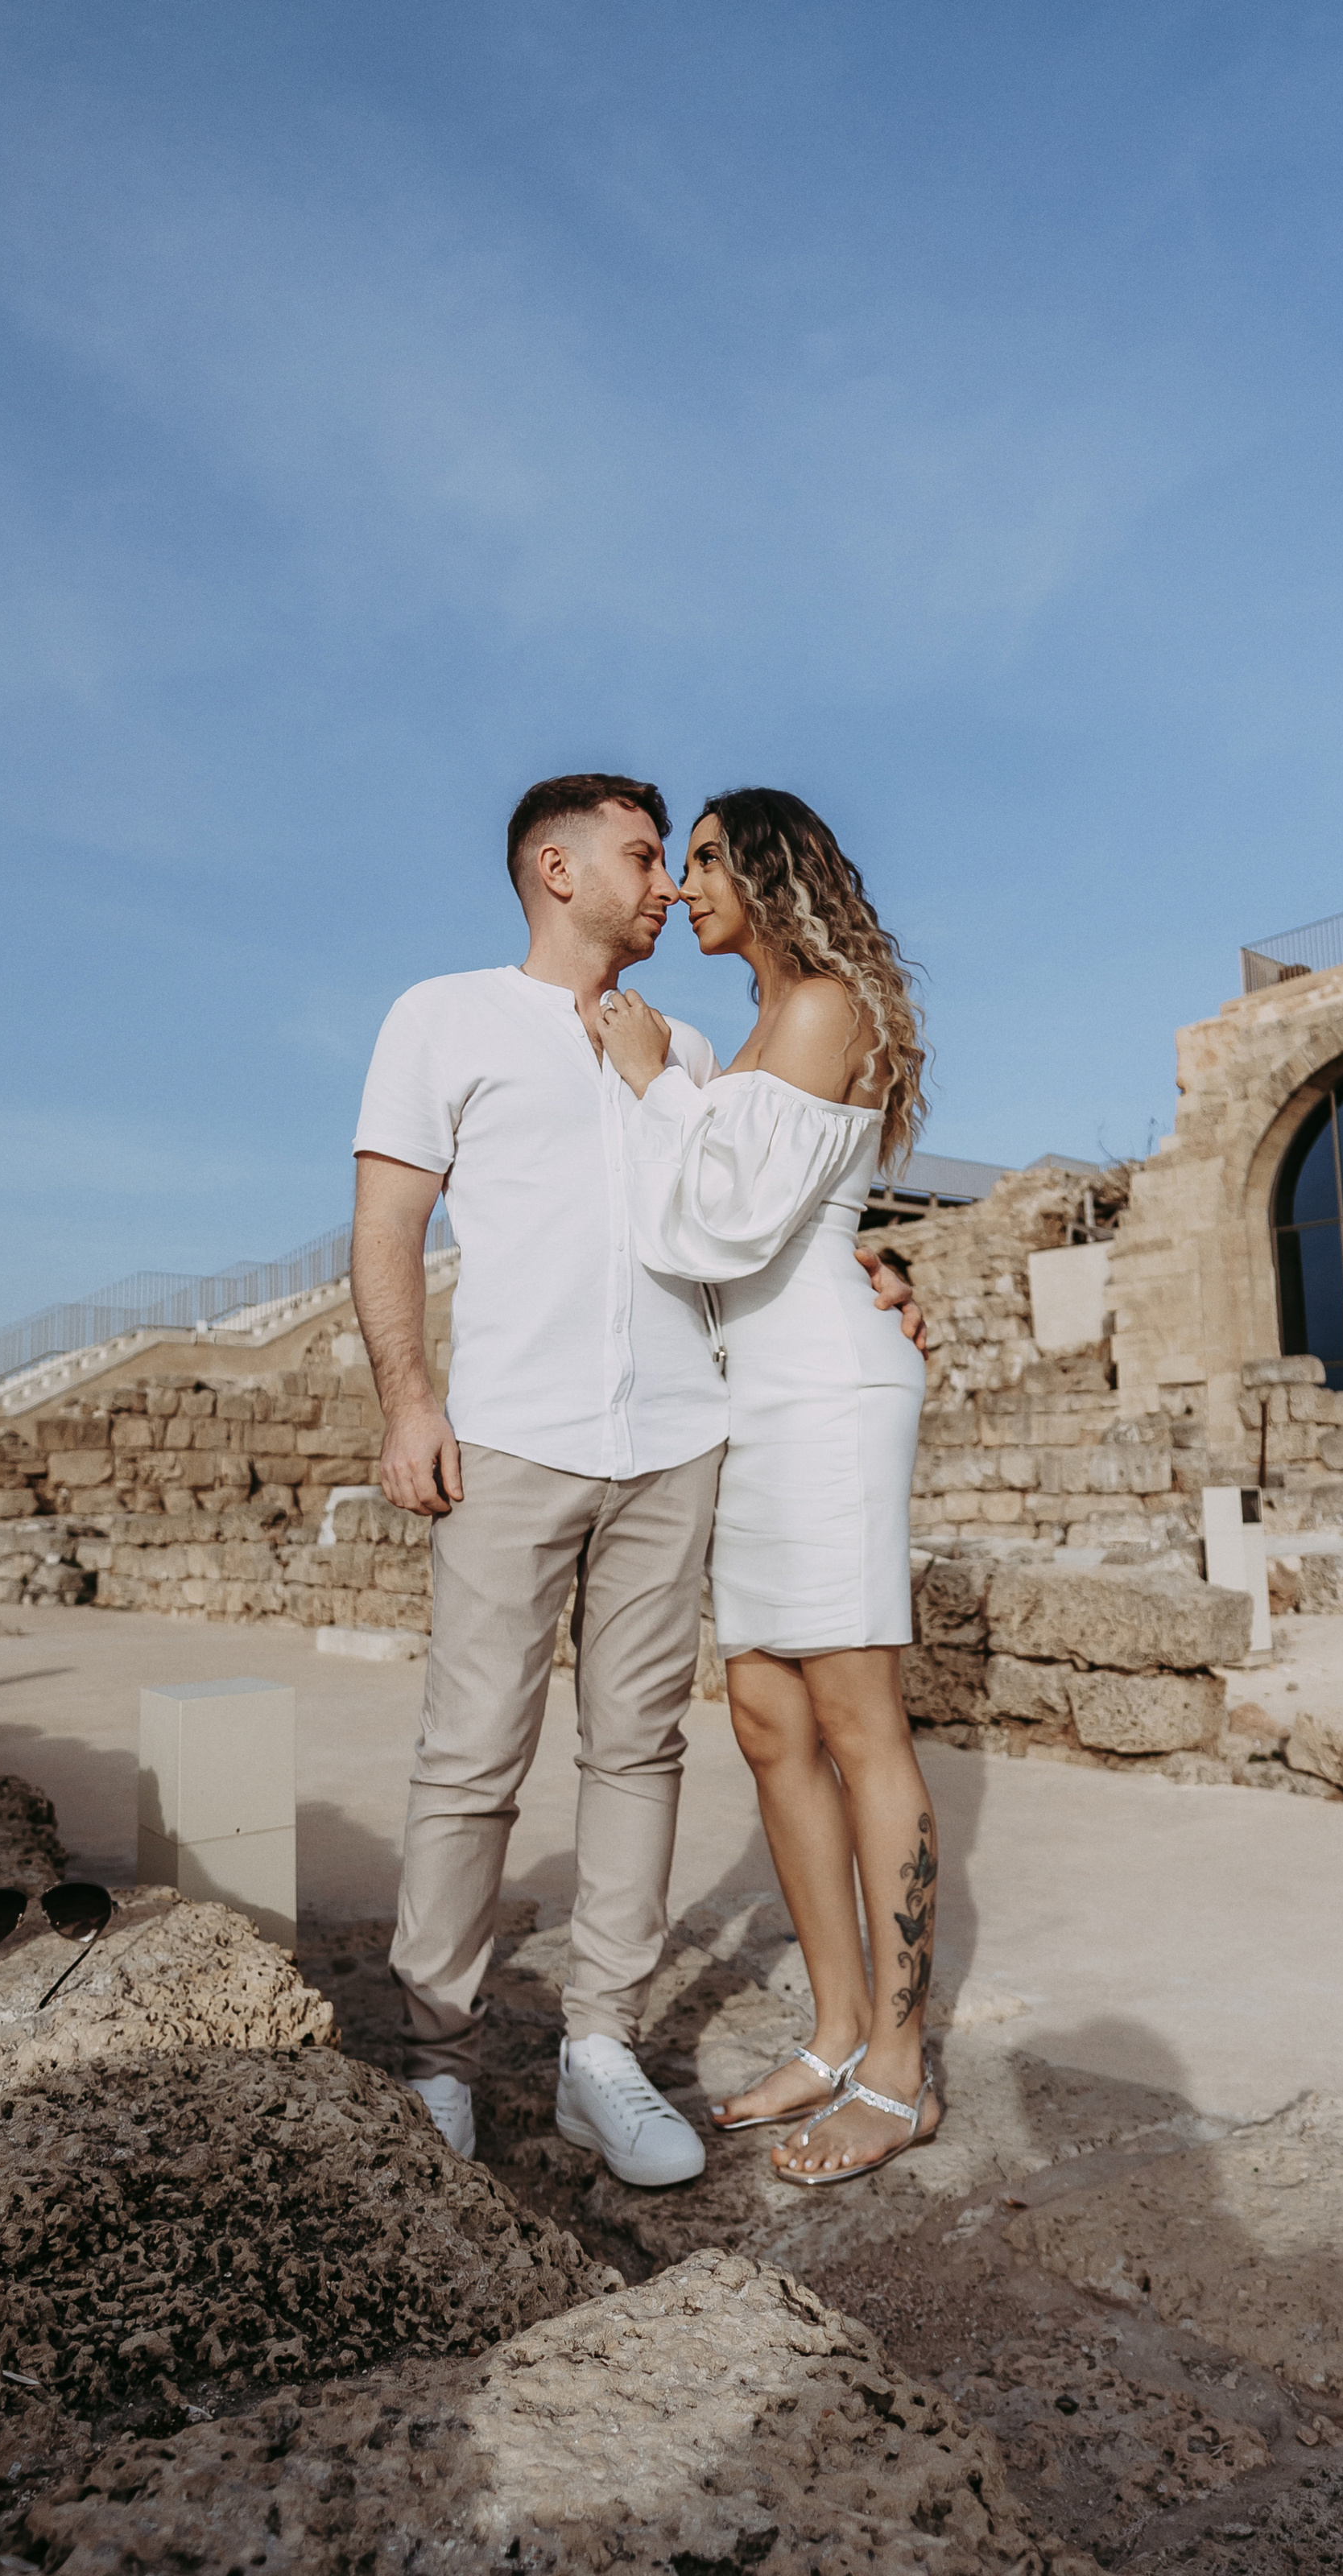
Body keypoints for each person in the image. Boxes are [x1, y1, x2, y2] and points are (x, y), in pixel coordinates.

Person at [349, 774, 922, 2188]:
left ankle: (600, 2050)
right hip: (517, 1434)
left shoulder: (703, 1040)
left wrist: (879, 1271)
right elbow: (387, 1219)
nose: (667, 881)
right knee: (471, 1754)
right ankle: (439, 2063)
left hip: (682, 1437)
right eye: (643, 854)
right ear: (554, 866)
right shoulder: (444, 1017)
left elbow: (753, 1216)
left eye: (681, 857)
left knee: (640, 1750)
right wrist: (409, 1398)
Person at [597, 786, 941, 2184]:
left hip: (828, 1391)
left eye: (703, 861)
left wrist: (652, 1083)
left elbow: (725, 1224)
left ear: (771, 869)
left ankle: (904, 2071)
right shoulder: (766, 1020)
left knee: (857, 1714)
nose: (681, 890)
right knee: (763, 1710)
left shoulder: (822, 1008)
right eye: (673, 866)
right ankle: (833, 2027)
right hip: (758, 1390)